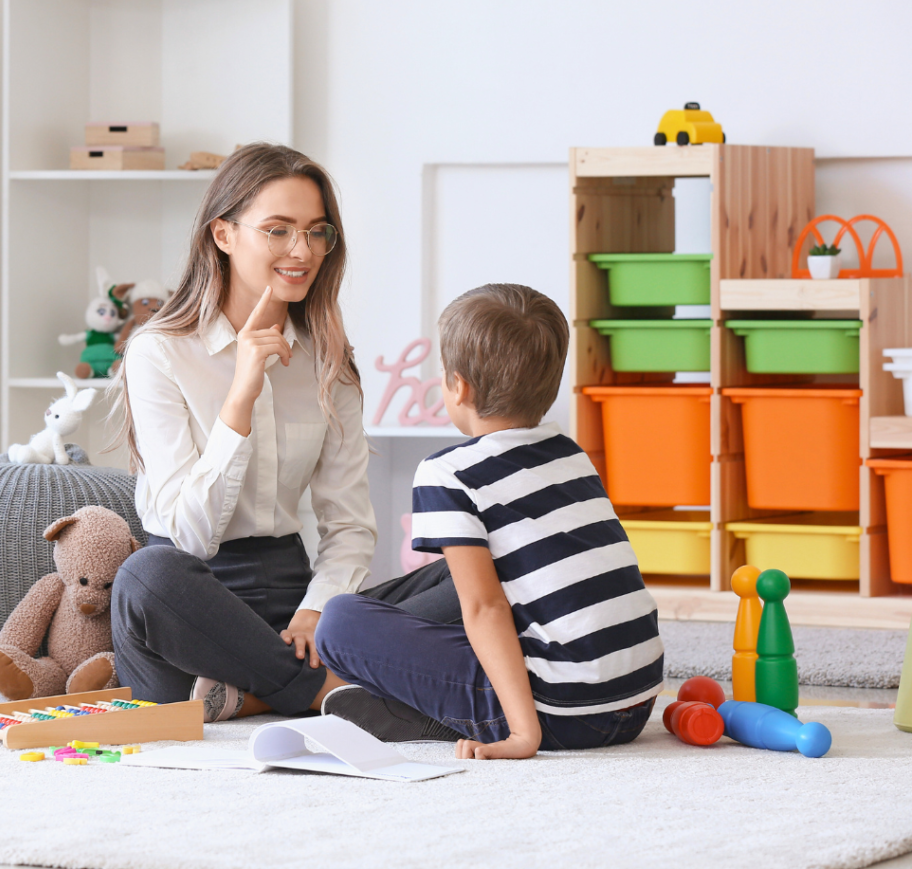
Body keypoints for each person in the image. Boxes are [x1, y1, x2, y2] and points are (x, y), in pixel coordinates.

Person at [110, 143, 459, 723]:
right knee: (146, 577)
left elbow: (348, 523)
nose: (303, 251)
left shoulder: (328, 360)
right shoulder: (159, 353)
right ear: (223, 235)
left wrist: (320, 608)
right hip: (193, 604)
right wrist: (242, 392)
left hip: (293, 603)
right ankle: (325, 691)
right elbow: (189, 537)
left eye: (316, 231)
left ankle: (256, 694)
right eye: (278, 230)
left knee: (482, 564)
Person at [315, 283, 664, 758]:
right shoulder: (572, 454)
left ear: (459, 386)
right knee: (456, 575)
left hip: (565, 713)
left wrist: (524, 735)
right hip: (637, 700)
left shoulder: (447, 473)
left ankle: (443, 717)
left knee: (339, 623)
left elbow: (486, 610)